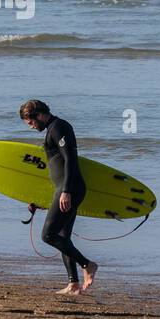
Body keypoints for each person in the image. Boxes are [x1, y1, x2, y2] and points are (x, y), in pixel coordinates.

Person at [19, 98, 98, 296]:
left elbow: (71, 160)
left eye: (31, 123)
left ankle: (87, 264)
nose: (31, 127)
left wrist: (66, 191)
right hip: (63, 189)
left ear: (38, 115)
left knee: (48, 235)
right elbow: (56, 169)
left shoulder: (58, 127)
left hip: (69, 188)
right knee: (63, 236)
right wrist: (43, 199)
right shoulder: (52, 129)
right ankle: (73, 284)